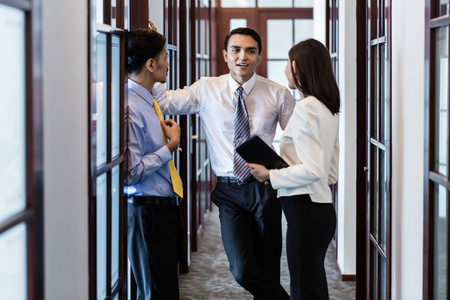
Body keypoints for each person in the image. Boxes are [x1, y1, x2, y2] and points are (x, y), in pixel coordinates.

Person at [152, 27, 294, 299]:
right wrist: (154, 52)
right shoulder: (206, 88)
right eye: (236, 50)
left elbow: (298, 139)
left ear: (259, 57)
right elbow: (165, 103)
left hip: (265, 188)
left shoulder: (277, 93)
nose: (243, 57)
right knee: (242, 269)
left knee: (268, 267)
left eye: (251, 51)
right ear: (225, 55)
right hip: (229, 191)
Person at [247, 39, 340, 300]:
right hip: (321, 210)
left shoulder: (306, 110)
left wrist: (270, 174)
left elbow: (314, 170)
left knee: (304, 286)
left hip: (305, 211)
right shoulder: (327, 108)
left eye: (287, 63)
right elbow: (330, 173)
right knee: (312, 284)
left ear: (296, 66)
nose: (285, 69)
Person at [125, 28, 184, 300]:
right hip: (146, 211)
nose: (168, 63)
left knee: (162, 289)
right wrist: (169, 148)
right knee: (156, 293)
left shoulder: (147, 99)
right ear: (151, 64)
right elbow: (130, 173)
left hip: (162, 209)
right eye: (164, 57)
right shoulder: (130, 107)